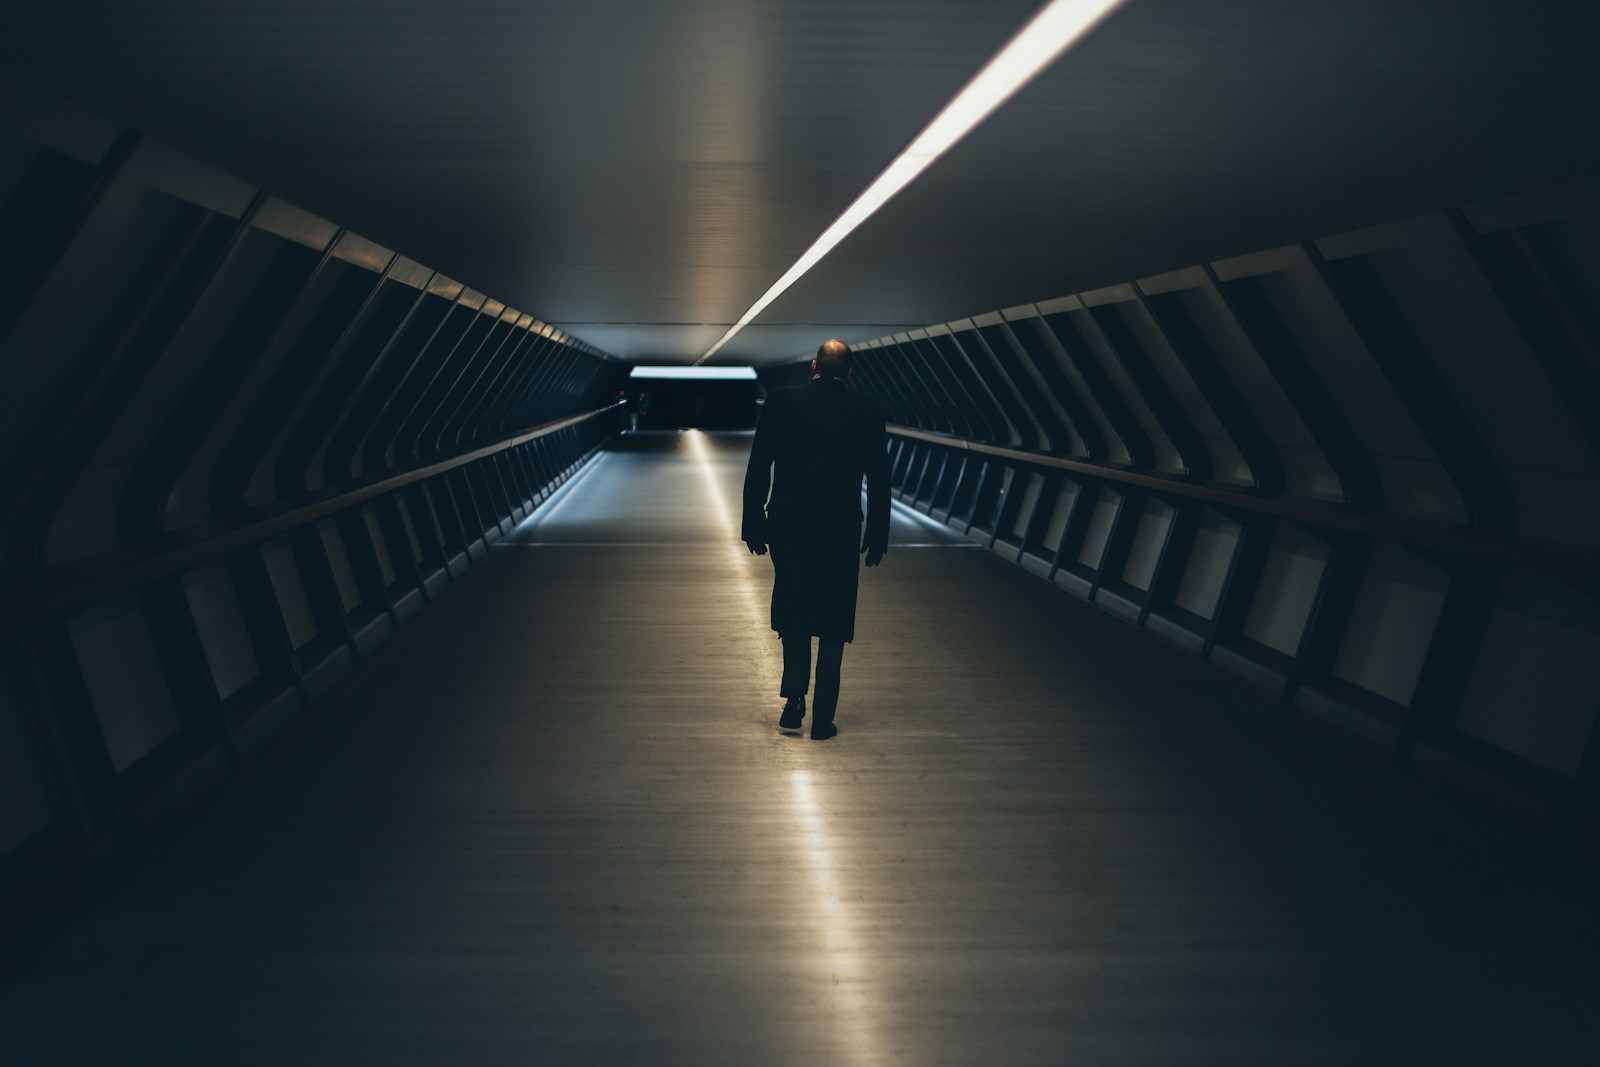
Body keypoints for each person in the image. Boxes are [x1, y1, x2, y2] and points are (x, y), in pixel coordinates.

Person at [742, 339, 889, 740]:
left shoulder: (781, 402)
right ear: (851, 372)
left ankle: (793, 700)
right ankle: (823, 717)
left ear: (813, 366)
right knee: (834, 617)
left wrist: (752, 520)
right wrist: (878, 531)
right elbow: (878, 477)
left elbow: (760, 464)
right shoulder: (868, 411)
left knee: (794, 608)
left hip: (789, 524)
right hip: (840, 528)